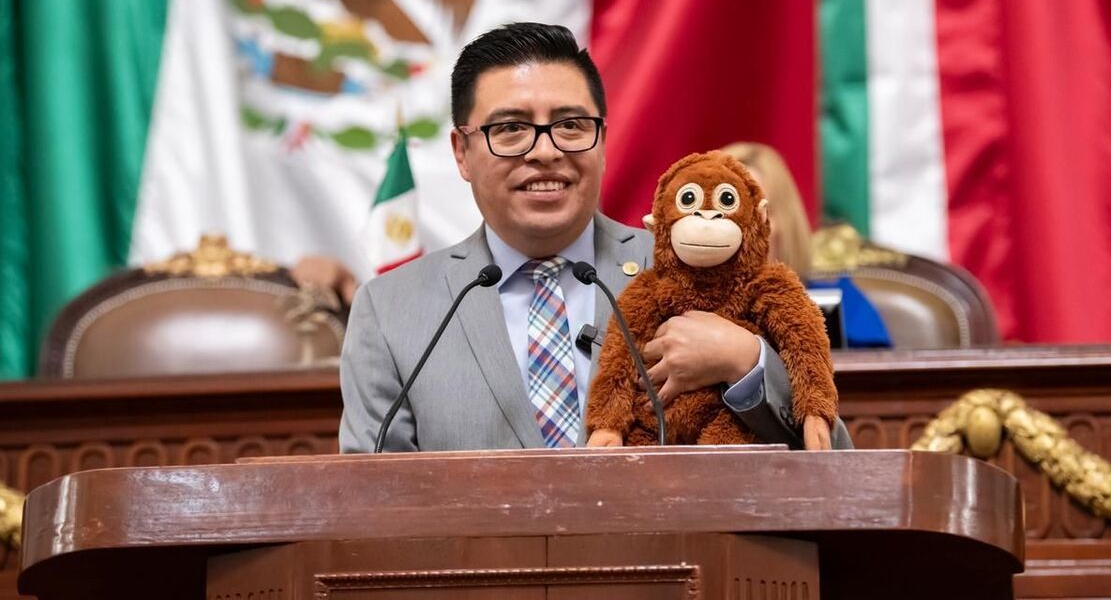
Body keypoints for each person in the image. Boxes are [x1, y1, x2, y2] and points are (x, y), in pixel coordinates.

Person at [339, 23, 852, 452]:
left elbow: (838, 465)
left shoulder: (698, 270)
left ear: (602, 140)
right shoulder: (392, 311)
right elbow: (366, 504)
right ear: (461, 152)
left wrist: (747, 362)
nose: (545, 152)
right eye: (511, 129)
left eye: (571, 125)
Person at [721, 142, 891, 348]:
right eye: (725, 213)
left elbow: (877, 376)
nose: (739, 229)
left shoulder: (845, 305)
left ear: (786, 223)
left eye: (756, 212)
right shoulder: (680, 312)